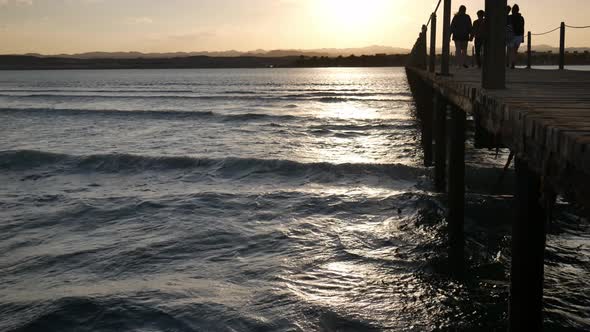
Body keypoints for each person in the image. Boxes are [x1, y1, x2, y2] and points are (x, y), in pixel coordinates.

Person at [508, 4, 525, 69]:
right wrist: (522, 37)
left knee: (512, 50)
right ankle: (513, 63)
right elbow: (523, 28)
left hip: (512, 35)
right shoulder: (521, 18)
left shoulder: (510, 17)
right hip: (519, 35)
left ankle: (512, 63)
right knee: (514, 51)